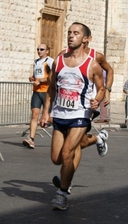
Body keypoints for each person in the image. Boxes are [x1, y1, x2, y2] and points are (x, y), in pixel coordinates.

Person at [41, 22, 105, 210]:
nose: (71, 36)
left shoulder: (92, 64)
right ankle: (97, 139)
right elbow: (51, 88)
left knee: (67, 153)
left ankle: (62, 194)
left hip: (80, 114)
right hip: (60, 113)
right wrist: (46, 113)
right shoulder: (59, 61)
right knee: (56, 158)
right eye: (69, 33)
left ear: (85, 39)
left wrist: (97, 100)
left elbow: (101, 88)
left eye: (76, 33)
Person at [22, 43, 53, 149]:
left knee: (49, 118)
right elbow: (36, 76)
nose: (39, 51)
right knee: (34, 115)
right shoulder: (35, 62)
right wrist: (32, 78)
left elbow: (52, 77)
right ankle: (31, 139)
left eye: (42, 49)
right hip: (36, 91)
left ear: (47, 51)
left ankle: (65, 133)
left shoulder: (50, 61)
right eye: (38, 49)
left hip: (46, 92)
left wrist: (40, 81)